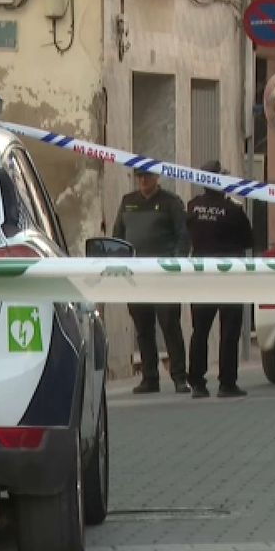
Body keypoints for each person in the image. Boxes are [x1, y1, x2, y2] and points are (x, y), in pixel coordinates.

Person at [112, 169, 191, 394]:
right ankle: (150, 377)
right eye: (140, 177)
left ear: (157, 178)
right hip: (136, 277)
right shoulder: (128, 202)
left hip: (163, 277)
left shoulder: (170, 202)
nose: (143, 180)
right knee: (143, 328)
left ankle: (179, 377)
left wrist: (176, 264)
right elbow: (118, 235)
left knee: (169, 326)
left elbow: (183, 236)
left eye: (147, 176)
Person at [185, 161, 254, 399]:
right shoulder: (234, 210)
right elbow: (249, 240)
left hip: (201, 276)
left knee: (200, 330)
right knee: (229, 331)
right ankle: (227, 383)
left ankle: (197, 382)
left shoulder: (193, 207)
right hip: (229, 276)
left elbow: (187, 237)